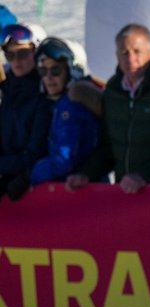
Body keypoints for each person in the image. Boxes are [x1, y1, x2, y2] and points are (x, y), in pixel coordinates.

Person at [68, 24, 150, 196]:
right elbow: (110, 146)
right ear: (117, 56)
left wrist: (144, 176)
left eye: (137, 51)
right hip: (126, 195)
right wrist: (86, 173)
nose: (130, 59)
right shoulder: (114, 91)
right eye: (124, 53)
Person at [18, 37, 101, 198]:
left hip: (77, 194)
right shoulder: (58, 104)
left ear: (71, 71)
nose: (49, 77)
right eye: (43, 71)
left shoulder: (70, 108)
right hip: (76, 190)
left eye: (56, 71)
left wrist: (29, 175)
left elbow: (63, 160)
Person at [0, 22, 53, 197]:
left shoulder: (46, 92)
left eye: (23, 53)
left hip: (35, 188)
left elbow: (35, 153)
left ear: (37, 54)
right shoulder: (7, 90)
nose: (16, 61)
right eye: (10, 55)